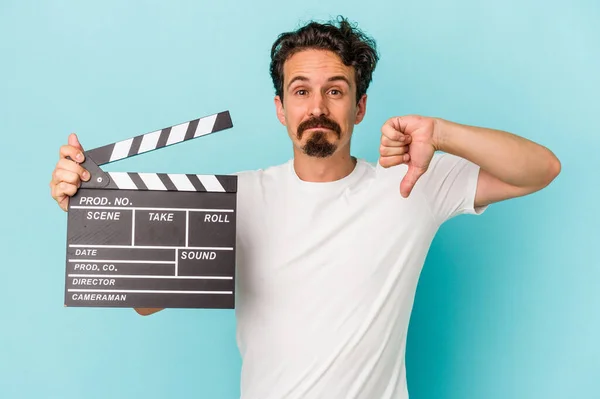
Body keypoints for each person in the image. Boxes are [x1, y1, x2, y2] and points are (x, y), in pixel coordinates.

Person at [49, 16, 560, 399]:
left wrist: (442, 132)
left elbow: (541, 169)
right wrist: (93, 207)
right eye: (301, 91)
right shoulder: (237, 198)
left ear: (359, 106)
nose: (317, 107)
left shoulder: (412, 181)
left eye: (335, 91)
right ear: (281, 108)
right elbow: (146, 300)